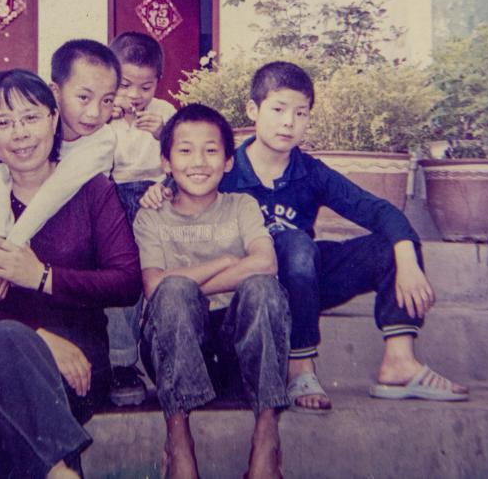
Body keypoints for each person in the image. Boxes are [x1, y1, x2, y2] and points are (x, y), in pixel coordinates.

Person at [143, 61, 468, 411]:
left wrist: (406, 258)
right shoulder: (226, 167)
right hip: (249, 292)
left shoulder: (310, 172)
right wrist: (161, 188)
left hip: (301, 281)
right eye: (278, 109)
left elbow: (380, 211)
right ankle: (299, 368)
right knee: (294, 242)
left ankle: (399, 362)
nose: (289, 122)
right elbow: (186, 181)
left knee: (385, 245)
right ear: (253, 110)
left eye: (301, 113)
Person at [0, 69, 141, 478]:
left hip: (80, 359)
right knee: (6, 342)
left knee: (8, 420)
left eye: (30, 117)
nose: (20, 134)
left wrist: (42, 276)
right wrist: (40, 338)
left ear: (53, 118)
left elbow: (126, 282)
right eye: (4, 123)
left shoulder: (91, 190)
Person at [136, 104, 289, 479]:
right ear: (166, 162)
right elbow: (154, 286)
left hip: (237, 350)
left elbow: (265, 263)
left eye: (211, 150)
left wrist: (187, 280)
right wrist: (225, 261)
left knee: (261, 288)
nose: (199, 162)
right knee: (172, 292)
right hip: (176, 347)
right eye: (185, 150)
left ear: (228, 161)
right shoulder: (151, 216)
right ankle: (178, 439)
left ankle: (267, 435)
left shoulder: (241, 206)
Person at [0, 40, 121, 301]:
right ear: (55, 91)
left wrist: (11, 251)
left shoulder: (102, 141)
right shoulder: (35, 126)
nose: (95, 112)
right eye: (83, 97)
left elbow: (55, 192)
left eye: (107, 100)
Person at [104, 31, 177, 406]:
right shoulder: (102, 112)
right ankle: (121, 361)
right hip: (112, 195)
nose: (135, 95)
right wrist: (104, 120)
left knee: (162, 271)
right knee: (124, 272)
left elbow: (183, 158)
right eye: (125, 85)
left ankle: (170, 356)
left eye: (145, 87)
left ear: (157, 83)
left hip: (157, 193)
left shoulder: (165, 113)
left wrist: (165, 134)